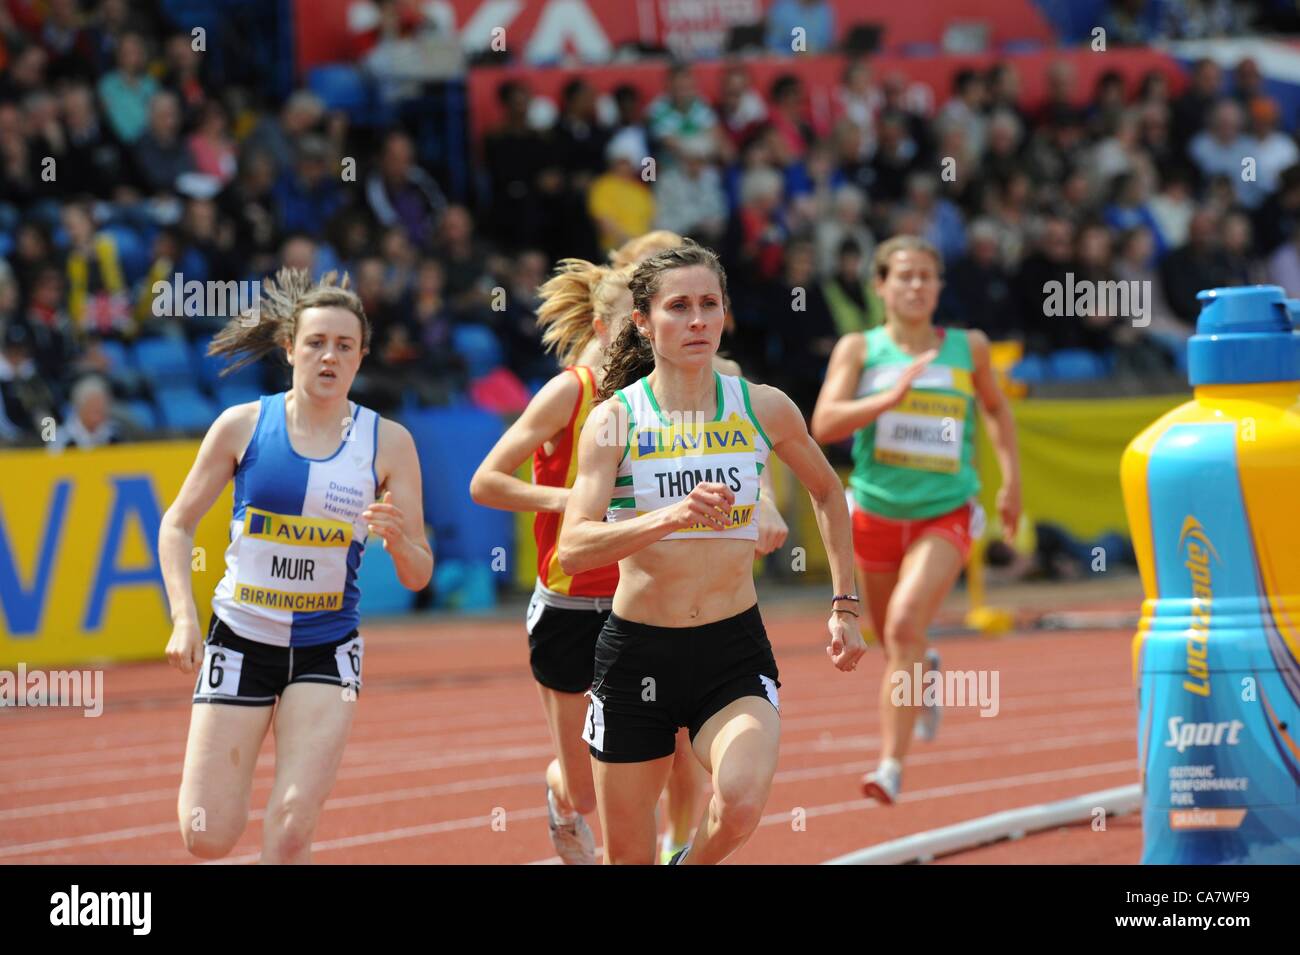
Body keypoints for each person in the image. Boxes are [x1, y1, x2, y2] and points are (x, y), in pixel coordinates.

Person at [558, 241, 863, 864]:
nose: (696, 320)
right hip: (636, 654)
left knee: (742, 802)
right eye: (678, 307)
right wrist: (668, 517)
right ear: (643, 321)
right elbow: (573, 548)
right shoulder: (615, 420)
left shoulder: (761, 405)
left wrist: (845, 605)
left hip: (732, 650)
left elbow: (829, 493)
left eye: (709, 304)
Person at [159, 269, 433, 863]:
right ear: (289, 349)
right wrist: (184, 620)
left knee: (288, 828)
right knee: (206, 834)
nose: (328, 357)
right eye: (315, 343)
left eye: (343, 345)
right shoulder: (242, 426)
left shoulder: (388, 443)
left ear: (361, 356)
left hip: (325, 650)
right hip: (239, 640)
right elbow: (177, 524)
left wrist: (400, 541)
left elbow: (419, 573)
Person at [810, 236, 1021, 804]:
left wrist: (1011, 484)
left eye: (927, 276)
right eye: (903, 276)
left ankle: (889, 767)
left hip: (945, 510)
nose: (916, 286)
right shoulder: (860, 348)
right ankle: (924, 668)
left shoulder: (966, 347)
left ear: (940, 287)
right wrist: (889, 396)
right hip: (876, 510)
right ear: (880, 286)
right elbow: (824, 422)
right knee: (892, 639)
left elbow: (998, 411)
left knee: (902, 626)